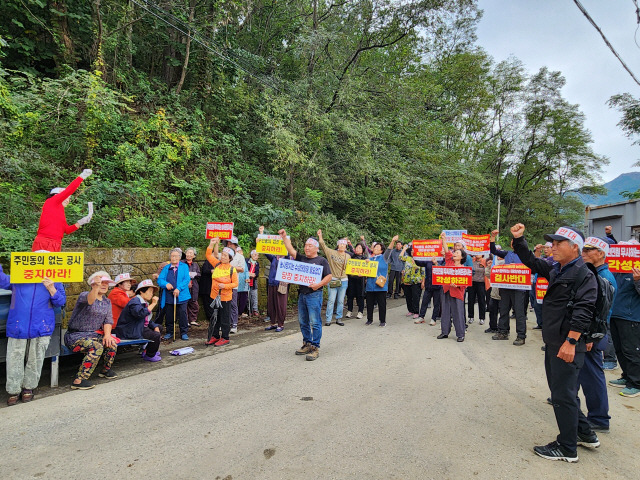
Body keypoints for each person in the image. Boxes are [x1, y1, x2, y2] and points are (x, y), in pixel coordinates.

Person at [511, 224, 600, 463]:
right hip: (555, 341)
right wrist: (519, 240)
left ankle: (567, 447)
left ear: (574, 247)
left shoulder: (583, 274)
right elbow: (531, 261)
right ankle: (585, 433)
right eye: (553, 242)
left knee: (563, 395)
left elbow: (584, 310)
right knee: (564, 392)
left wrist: (571, 341)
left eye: (559, 243)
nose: (553, 247)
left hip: (566, 343)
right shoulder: (557, 268)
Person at [0, 262, 66, 405]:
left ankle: (28, 388)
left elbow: (60, 301)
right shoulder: (19, 278)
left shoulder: (55, 280)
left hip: (41, 326)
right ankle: (13, 390)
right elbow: (2, 280)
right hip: (18, 325)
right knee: (14, 358)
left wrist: (51, 288)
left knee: (35, 359)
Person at [577, 237, 617, 432]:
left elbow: (601, 312)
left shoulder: (604, 278)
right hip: (588, 334)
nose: (584, 252)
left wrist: (592, 337)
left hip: (592, 335)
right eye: (583, 249)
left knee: (592, 376)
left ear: (601, 253)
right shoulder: (592, 273)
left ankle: (600, 418)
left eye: (589, 249)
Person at [279, 230, 332, 361]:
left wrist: (318, 285)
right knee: (303, 322)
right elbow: (291, 250)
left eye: (310, 246)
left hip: (314, 294)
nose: (307, 248)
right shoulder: (302, 258)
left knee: (315, 322)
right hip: (302, 294)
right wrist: (284, 237)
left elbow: (329, 276)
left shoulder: (321, 260)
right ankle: (306, 343)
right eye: (306, 245)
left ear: (316, 248)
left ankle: (315, 347)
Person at [64, 271, 118, 390]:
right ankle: (79, 380)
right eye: (100, 283)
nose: (103, 285)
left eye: (106, 283)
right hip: (76, 336)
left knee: (111, 343)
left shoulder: (107, 301)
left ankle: (105, 370)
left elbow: (108, 320)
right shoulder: (85, 295)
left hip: (94, 334)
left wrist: (107, 335)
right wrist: (95, 288)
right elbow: (90, 300)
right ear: (93, 284)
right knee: (97, 347)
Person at [32, 169, 94, 252]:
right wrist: (82, 177)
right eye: (66, 197)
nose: (67, 200)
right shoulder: (52, 201)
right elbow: (69, 191)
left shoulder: (60, 211)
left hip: (56, 243)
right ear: (56, 195)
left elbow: (66, 230)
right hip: (44, 242)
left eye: (69, 199)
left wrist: (80, 222)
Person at [608, 241, 640, 398]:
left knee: (631, 350)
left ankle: (636, 383)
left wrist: (638, 280)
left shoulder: (637, 271)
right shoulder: (615, 270)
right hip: (615, 315)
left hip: (631, 317)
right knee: (619, 349)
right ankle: (627, 376)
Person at [490, 229, 527, 346]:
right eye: (512, 241)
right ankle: (503, 332)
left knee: (519, 312)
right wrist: (492, 237)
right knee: (504, 309)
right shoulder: (507, 254)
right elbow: (493, 250)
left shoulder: (526, 255)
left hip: (519, 288)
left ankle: (521, 336)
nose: (513, 243)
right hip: (506, 286)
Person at [114, 280, 162, 362]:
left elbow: (146, 319)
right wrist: (153, 304)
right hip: (130, 330)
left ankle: (147, 350)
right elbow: (140, 314)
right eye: (150, 291)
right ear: (141, 291)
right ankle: (149, 355)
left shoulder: (143, 302)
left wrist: (155, 326)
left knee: (159, 327)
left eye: (152, 292)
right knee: (155, 336)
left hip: (138, 326)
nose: (152, 294)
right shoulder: (135, 301)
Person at [204, 238, 239, 346]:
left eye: (225, 255)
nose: (222, 256)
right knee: (214, 316)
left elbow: (235, 284)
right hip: (214, 296)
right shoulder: (216, 264)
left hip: (225, 297)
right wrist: (211, 244)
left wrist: (225, 286)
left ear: (229, 258)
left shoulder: (232, 269)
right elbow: (208, 255)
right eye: (222, 254)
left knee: (224, 317)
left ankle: (225, 337)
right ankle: (214, 336)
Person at [437, 233, 468, 342]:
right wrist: (444, 240)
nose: (455, 253)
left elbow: (465, 283)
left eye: (457, 252)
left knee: (458, 313)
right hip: (446, 290)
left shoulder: (464, 269)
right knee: (445, 311)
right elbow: (446, 251)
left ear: (462, 257)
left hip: (457, 292)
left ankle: (460, 334)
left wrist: (458, 284)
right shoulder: (449, 261)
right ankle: (445, 332)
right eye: (454, 252)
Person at [318, 229, 351, 326]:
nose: (342, 246)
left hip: (344, 280)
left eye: (344, 244)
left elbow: (354, 266)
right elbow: (323, 245)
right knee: (331, 300)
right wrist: (320, 236)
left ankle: (339, 318)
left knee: (341, 301)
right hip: (333, 280)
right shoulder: (331, 253)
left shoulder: (348, 256)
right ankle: (328, 319)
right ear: (338, 245)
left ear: (346, 246)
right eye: (340, 244)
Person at [157, 248, 191, 340]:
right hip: (168, 295)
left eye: (176, 256)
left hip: (182, 295)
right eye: (172, 256)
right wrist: (166, 284)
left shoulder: (184, 266)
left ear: (180, 257)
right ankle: (169, 331)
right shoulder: (166, 268)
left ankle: (184, 332)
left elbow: (186, 279)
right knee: (169, 314)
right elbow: (160, 279)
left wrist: (179, 289)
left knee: (182, 314)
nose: (174, 258)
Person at [365, 242, 389, 327]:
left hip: (380, 286)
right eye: (375, 247)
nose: (375, 248)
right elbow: (364, 270)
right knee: (369, 303)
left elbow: (389, 250)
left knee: (381, 304)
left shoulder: (384, 258)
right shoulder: (370, 259)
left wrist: (393, 241)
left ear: (382, 250)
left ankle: (382, 320)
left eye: (378, 247)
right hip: (370, 285)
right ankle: (369, 319)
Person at [226, 236, 245, 334]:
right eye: (227, 243)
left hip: (233, 284)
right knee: (224, 304)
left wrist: (230, 267)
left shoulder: (240, 257)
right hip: (223, 284)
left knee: (233, 304)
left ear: (234, 245)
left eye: (230, 243)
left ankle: (234, 324)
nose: (228, 245)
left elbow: (242, 269)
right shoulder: (224, 255)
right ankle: (226, 323)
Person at [399, 243, 424, 319]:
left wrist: (423, 282)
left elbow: (423, 271)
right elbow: (400, 257)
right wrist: (404, 249)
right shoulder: (408, 258)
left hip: (417, 281)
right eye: (412, 251)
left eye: (415, 251)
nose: (413, 252)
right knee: (408, 296)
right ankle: (411, 310)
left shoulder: (420, 259)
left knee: (416, 297)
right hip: (407, 281)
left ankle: (416, 311)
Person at [345, 240, 368, 319]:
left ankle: (360, 311)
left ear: (363, 250)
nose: (357, 249)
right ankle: (349, 311)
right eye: (356, 248)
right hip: (351, 279)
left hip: (360, 280)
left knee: (360, 296)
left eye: (359, 248)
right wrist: (346, 243)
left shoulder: (365, 259)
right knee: (350, 295)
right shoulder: (351, 256)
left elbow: (369, 269)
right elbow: (343, 251)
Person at [415, 258, 441, 326]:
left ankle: (434, 318)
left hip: (438, 286)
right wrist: (414, 256)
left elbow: (443, 269)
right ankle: (421, 316)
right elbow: (419, 263)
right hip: (429, 285)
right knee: (424, 301)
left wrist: (436, 264)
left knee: (436, 303)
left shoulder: (442, 259)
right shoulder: (428, 260)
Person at [182, 247, 201, 327]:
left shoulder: (195, 265)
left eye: (191, 253)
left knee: (194, 303)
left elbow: (199, 274)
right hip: (184, 285)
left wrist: (195, 274)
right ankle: (185, 321)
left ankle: (192, 319)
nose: (189, 255)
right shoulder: (181, 263)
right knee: (184, 303)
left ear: (194, 256)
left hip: (194, 285)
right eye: (188, 253)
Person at [468, 255, 487, 325]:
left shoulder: (484, 261)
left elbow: (487, 271)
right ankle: (471, 317)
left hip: (481, 283)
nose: (477, 254)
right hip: (471, 282)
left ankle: (482, 318)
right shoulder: (472, 260)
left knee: (481, 300)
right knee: (471, 300)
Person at [236, 247, 250, 318]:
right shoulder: (234, 261)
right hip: (236, 283)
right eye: (239, 251)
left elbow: (246, 271)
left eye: (241, 251)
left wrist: (247, 277)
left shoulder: (244, 261)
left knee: (244, 299)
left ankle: (240, 312)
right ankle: (236, 313)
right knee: (236, 299)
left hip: (244, 283)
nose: (241, 252)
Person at [247, 250, 260, 316]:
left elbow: (257, 273)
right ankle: (248, 310)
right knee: (247, 297)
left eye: (257, 255)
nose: (256, 256)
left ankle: (255, 310)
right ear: (251, 255)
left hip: (253, 281)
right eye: (255, 255)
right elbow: (245, 270)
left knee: (254, 296)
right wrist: (249, 274)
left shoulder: (257, 264)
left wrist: (254, 274)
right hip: (246, 281)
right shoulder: (247, 261)